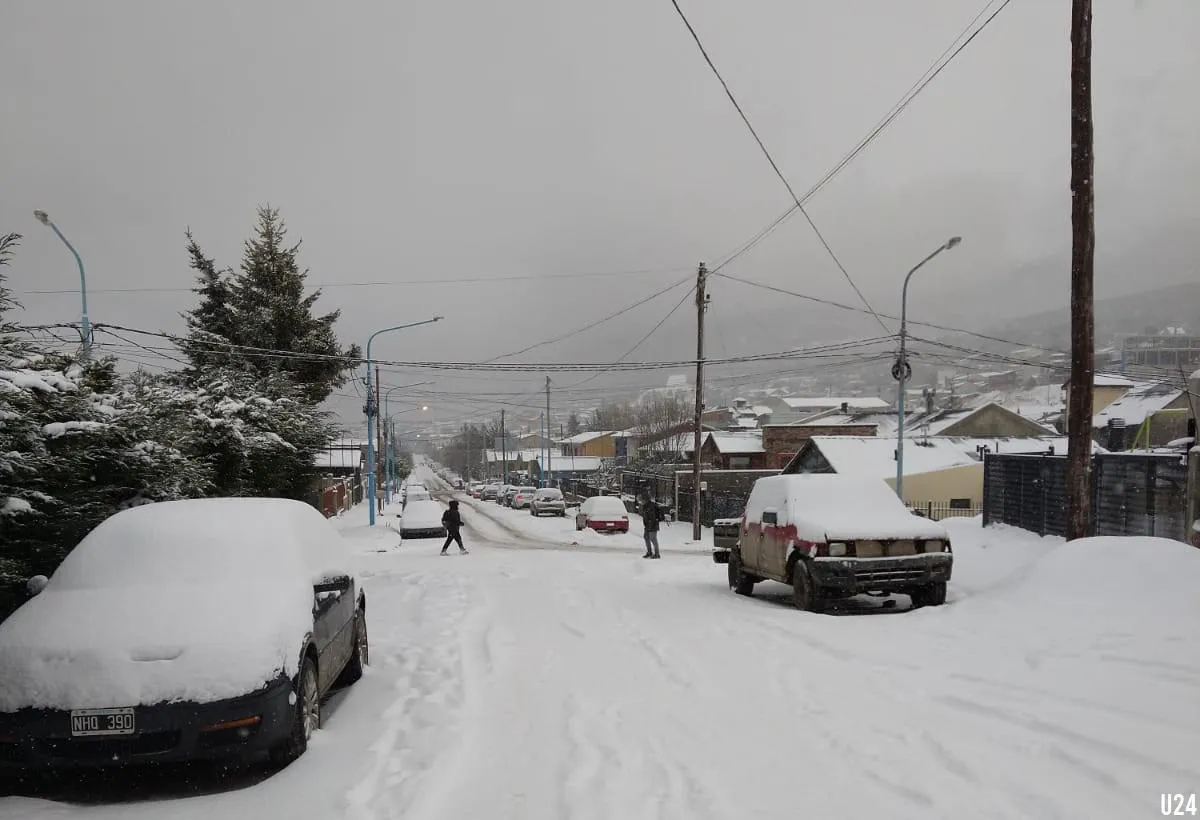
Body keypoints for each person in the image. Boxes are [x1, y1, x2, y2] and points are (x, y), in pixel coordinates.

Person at [640, 491, 662, 559]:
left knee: (653, 539)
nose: (641, 501)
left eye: (642, 500)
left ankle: (657, 554)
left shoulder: (651, 506)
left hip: (653, 525)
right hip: (647, 525)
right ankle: (649, 552)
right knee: (646, 537)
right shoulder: (645, 506)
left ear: (645, 500)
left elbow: (652, 517)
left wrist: (650, 525)